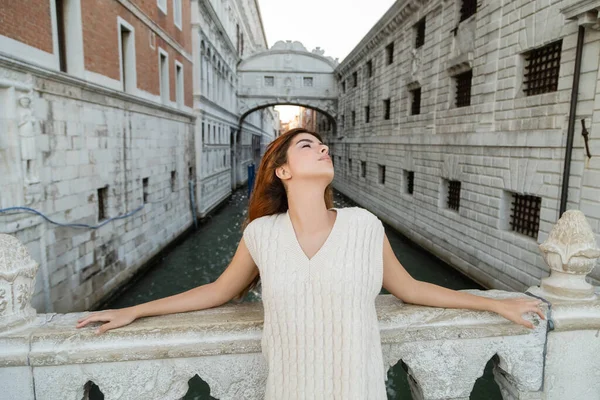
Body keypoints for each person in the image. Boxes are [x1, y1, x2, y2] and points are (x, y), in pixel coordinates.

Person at [76, 127, 545, 399]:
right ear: (282, 171)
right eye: (307, 146)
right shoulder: (261, 234)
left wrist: (497, 305)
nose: (322, 148)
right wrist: (134, 310)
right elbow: (216, 293)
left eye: (323, 145)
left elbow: (413, 289)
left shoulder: (364, 225)